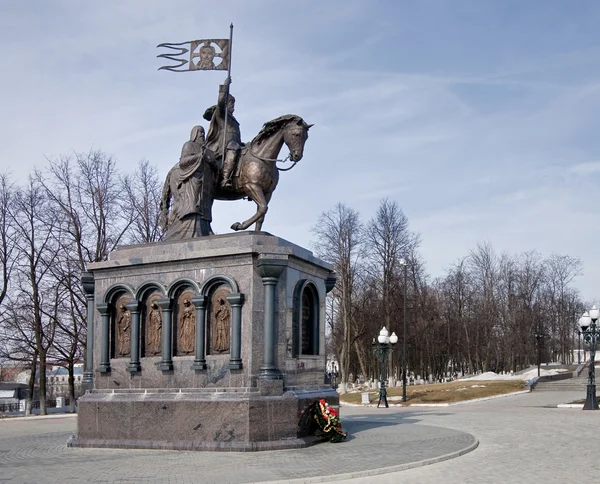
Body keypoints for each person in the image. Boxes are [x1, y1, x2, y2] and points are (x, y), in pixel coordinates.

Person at [160, 125, 218, 238]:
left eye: (203, 132)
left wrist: (212, 161)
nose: (202, 135)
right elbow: (183, 162)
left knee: (205, 206)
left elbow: (214, 165)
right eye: (200, 132)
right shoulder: (189, 145)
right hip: (193, 179)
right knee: (193, 204)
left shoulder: (206, 150)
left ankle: (204, 228)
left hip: (205, 183)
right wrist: (200, 156)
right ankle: (190, 230)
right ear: (194, 134)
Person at [203, 76, 243, 189]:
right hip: (224, 145)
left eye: (233, 103)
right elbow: (220, 102)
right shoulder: (221, 114)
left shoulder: (233, 120)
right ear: (226, 104)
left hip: (235, 143)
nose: (233, 106)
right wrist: (225, 87)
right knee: (233, 148)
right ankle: (225, 179)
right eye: (231, 103)